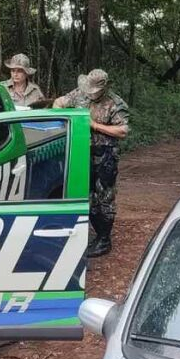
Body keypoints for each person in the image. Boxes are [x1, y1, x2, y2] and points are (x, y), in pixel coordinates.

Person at [53, 69, 129, 257]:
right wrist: (63, 122)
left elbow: (122, 131)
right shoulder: (79, 94)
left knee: (105, 196)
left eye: (95, 91)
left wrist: (95, 126)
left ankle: (104, 239)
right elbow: (59, 103)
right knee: (85, 194)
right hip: (80, 151)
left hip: (105, 154)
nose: (91, 93)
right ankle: (93, 233)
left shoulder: (115, 103)